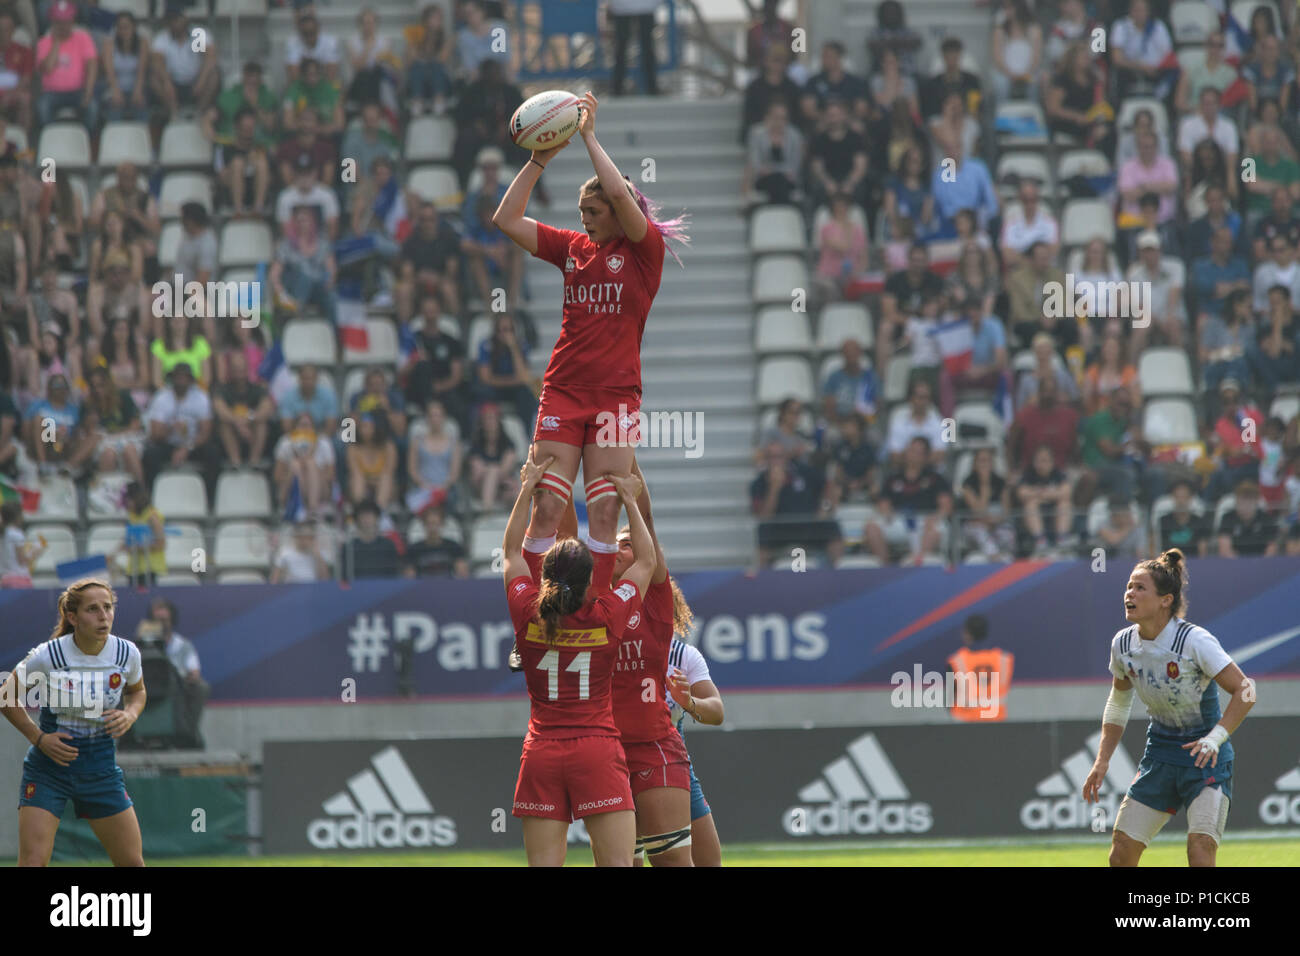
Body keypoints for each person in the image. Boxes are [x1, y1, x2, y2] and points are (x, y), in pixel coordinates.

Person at [493, 90, 687, 597]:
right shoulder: (573, 249)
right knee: (549, 508)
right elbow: (506, 219)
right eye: (580, 210)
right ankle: (537, 613)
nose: (584, 218)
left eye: (593, 210)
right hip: (564, 391)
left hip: (617, 399)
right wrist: (538, 160)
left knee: (604, 513)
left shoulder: (646, 251)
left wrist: (588, 136)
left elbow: (622, 195)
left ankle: (594, 614)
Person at [502, 458, 653, 867]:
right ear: (589, 581)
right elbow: (646, 563)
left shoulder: (526, 611)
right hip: (597, 750)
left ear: (546, 577)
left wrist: (527, 488)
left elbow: (510, 552)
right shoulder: (605, 614)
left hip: (542, 754)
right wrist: (629, 500)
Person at [1083, 550, 1256, 867]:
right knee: (1121, 852)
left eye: (1139, 588)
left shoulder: (1194, 641)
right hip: (1160, 755)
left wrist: (1214, 738)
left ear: (1165, 600)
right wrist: (1102, 760)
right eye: (1129, 586)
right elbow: (1119, 702)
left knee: (1200, 850)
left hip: (1205, 757)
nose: (1129, 594)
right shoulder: (1122, 645)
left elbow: (1246, 691)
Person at [0, 579, 145, 866]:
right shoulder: (49, 655)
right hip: (49, 770)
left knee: (132, 864)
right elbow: (6, 697)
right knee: (32, 863)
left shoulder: (127, 653)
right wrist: (39, 738)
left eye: (108, 607)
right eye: (93, 609)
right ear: (72, 617)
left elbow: (137, 691)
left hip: (100, 769)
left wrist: (130, 714)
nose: (104, 616)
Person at [604, 462, 694, 866]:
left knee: (673, 863)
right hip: (603, 750)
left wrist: (627, 466)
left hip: (654, 745)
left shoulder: (654, 603)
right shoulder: (596, 602)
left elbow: (649, 523)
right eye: (616, 544)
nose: (622, 548)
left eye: (630, 543)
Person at [138, 597, 206, 749]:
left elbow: (194, 672)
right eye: (158, 620)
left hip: (178, 686)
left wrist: (187, 677)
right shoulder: (142, 643)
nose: (162, 623)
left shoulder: (183, 645)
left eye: (165, 620)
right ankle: (129, 737)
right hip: (148, 686)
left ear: (172, 621)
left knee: (201, 687)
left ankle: (187, 733)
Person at [947, 614, 1013, 721]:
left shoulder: (956, 661)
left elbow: (950, 699)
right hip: (997, 723)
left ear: (967, 634)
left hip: (964, 723)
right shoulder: (1004, 660)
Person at [0, 500, 44, 588]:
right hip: (19, 581)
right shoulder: (17, 534)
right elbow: (23, 560)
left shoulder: (3, 534)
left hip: (4, 580)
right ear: (18, 516)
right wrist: (36, 551)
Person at [271, 519, 331, 583]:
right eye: (306, 536)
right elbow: (274, 580)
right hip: (292, 589)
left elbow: (325, 579)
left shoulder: (318, 554)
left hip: (312, 589)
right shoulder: (284, 553)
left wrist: (318, 555)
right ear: (297, 537)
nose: (308, 539)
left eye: (311, 537)